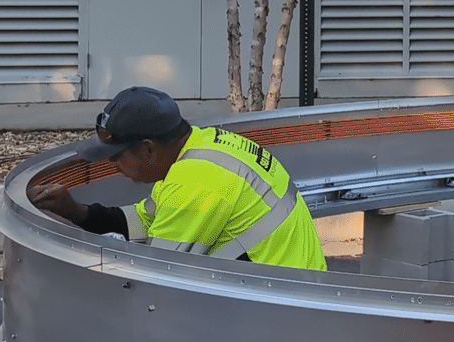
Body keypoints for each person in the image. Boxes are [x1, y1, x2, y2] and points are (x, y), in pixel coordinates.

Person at [29, 86, 327, 270]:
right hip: (291, 287)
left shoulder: (195, 183)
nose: (113, 165)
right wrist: (77, 212)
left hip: (283, 313)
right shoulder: (202, 144)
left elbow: (156, 281)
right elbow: (148, 222)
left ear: (148, 150)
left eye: (117, 156)